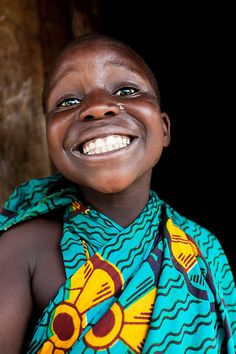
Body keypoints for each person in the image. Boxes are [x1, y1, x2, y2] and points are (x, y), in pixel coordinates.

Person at [0, 33, 235, 354]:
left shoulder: (204, 251)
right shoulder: (21, 250)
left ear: (164, 129)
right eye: (67, 101)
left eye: (126, 90)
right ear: (49, 141)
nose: (97, 107)